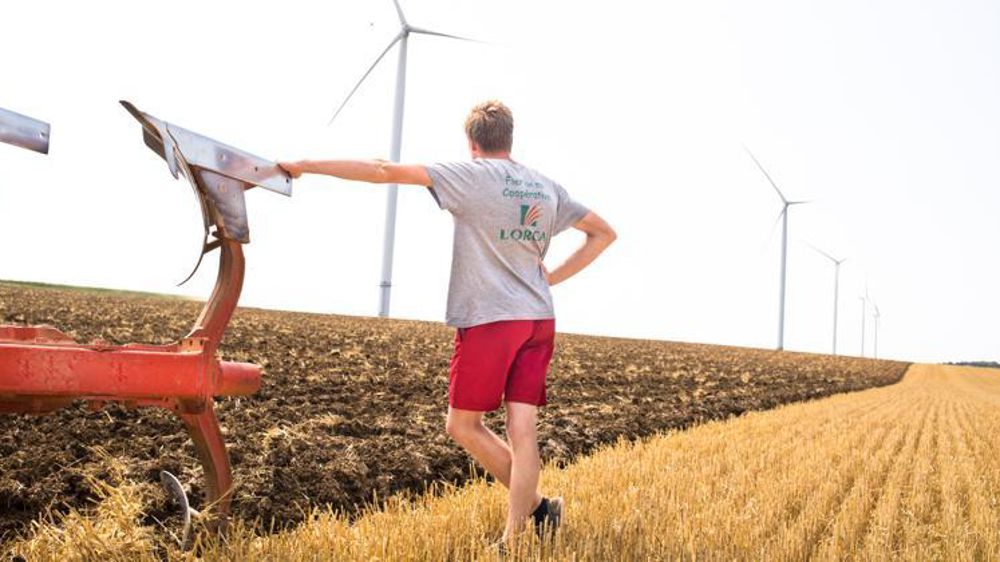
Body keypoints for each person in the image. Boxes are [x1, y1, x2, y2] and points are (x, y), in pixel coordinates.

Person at [279, 100, 616, 549]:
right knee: (523, 431)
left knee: (463, 425)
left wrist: (305, 165)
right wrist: (549, 278)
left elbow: (382, 170)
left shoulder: (469, 175)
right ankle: (531, 522)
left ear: (472, 142)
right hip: (539, 318)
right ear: (509, 138)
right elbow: (604, 233)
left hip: (491, 319)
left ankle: (529, 518)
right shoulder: (545, 185)